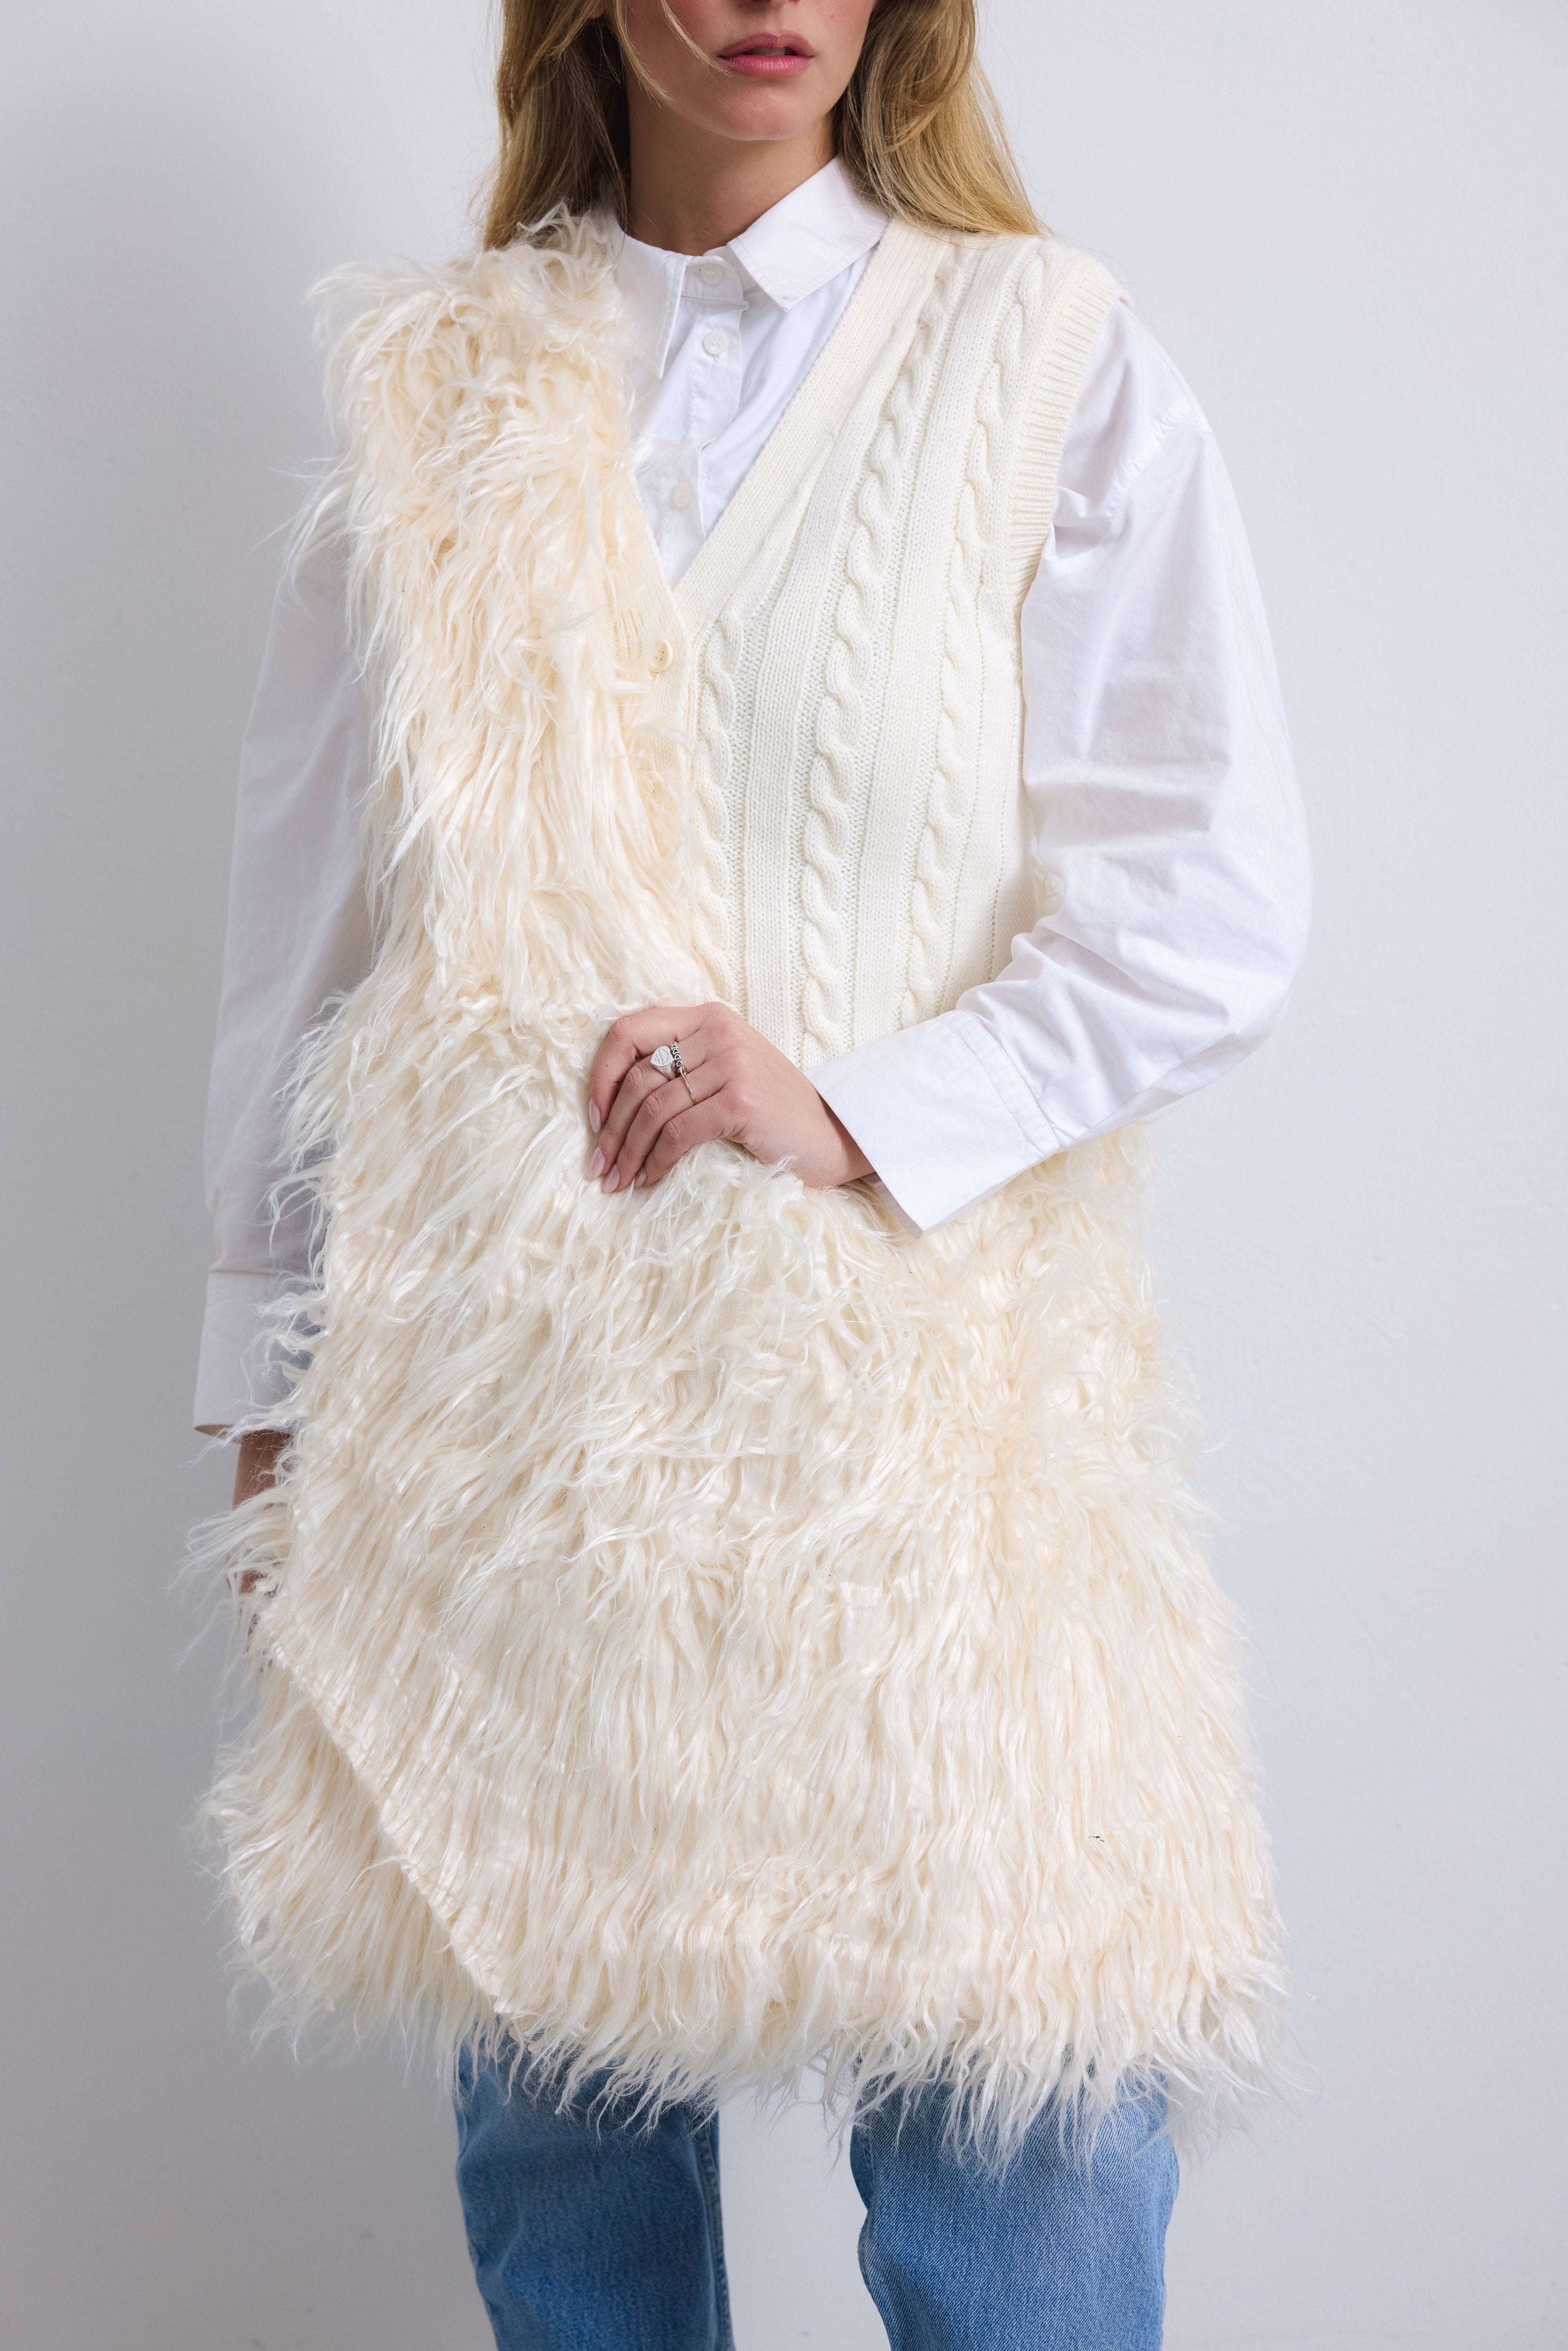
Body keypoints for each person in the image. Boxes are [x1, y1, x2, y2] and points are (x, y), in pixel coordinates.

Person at [195, 1, 1311, 2342]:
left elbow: (1211, 902)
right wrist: (267, 1387)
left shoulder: (1042, 353)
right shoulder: (442, 390)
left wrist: (864, 1105)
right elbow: (315, 935)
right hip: (513, 1426)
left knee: (1026, 2137)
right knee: (564, 2152)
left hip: (935, 1419)